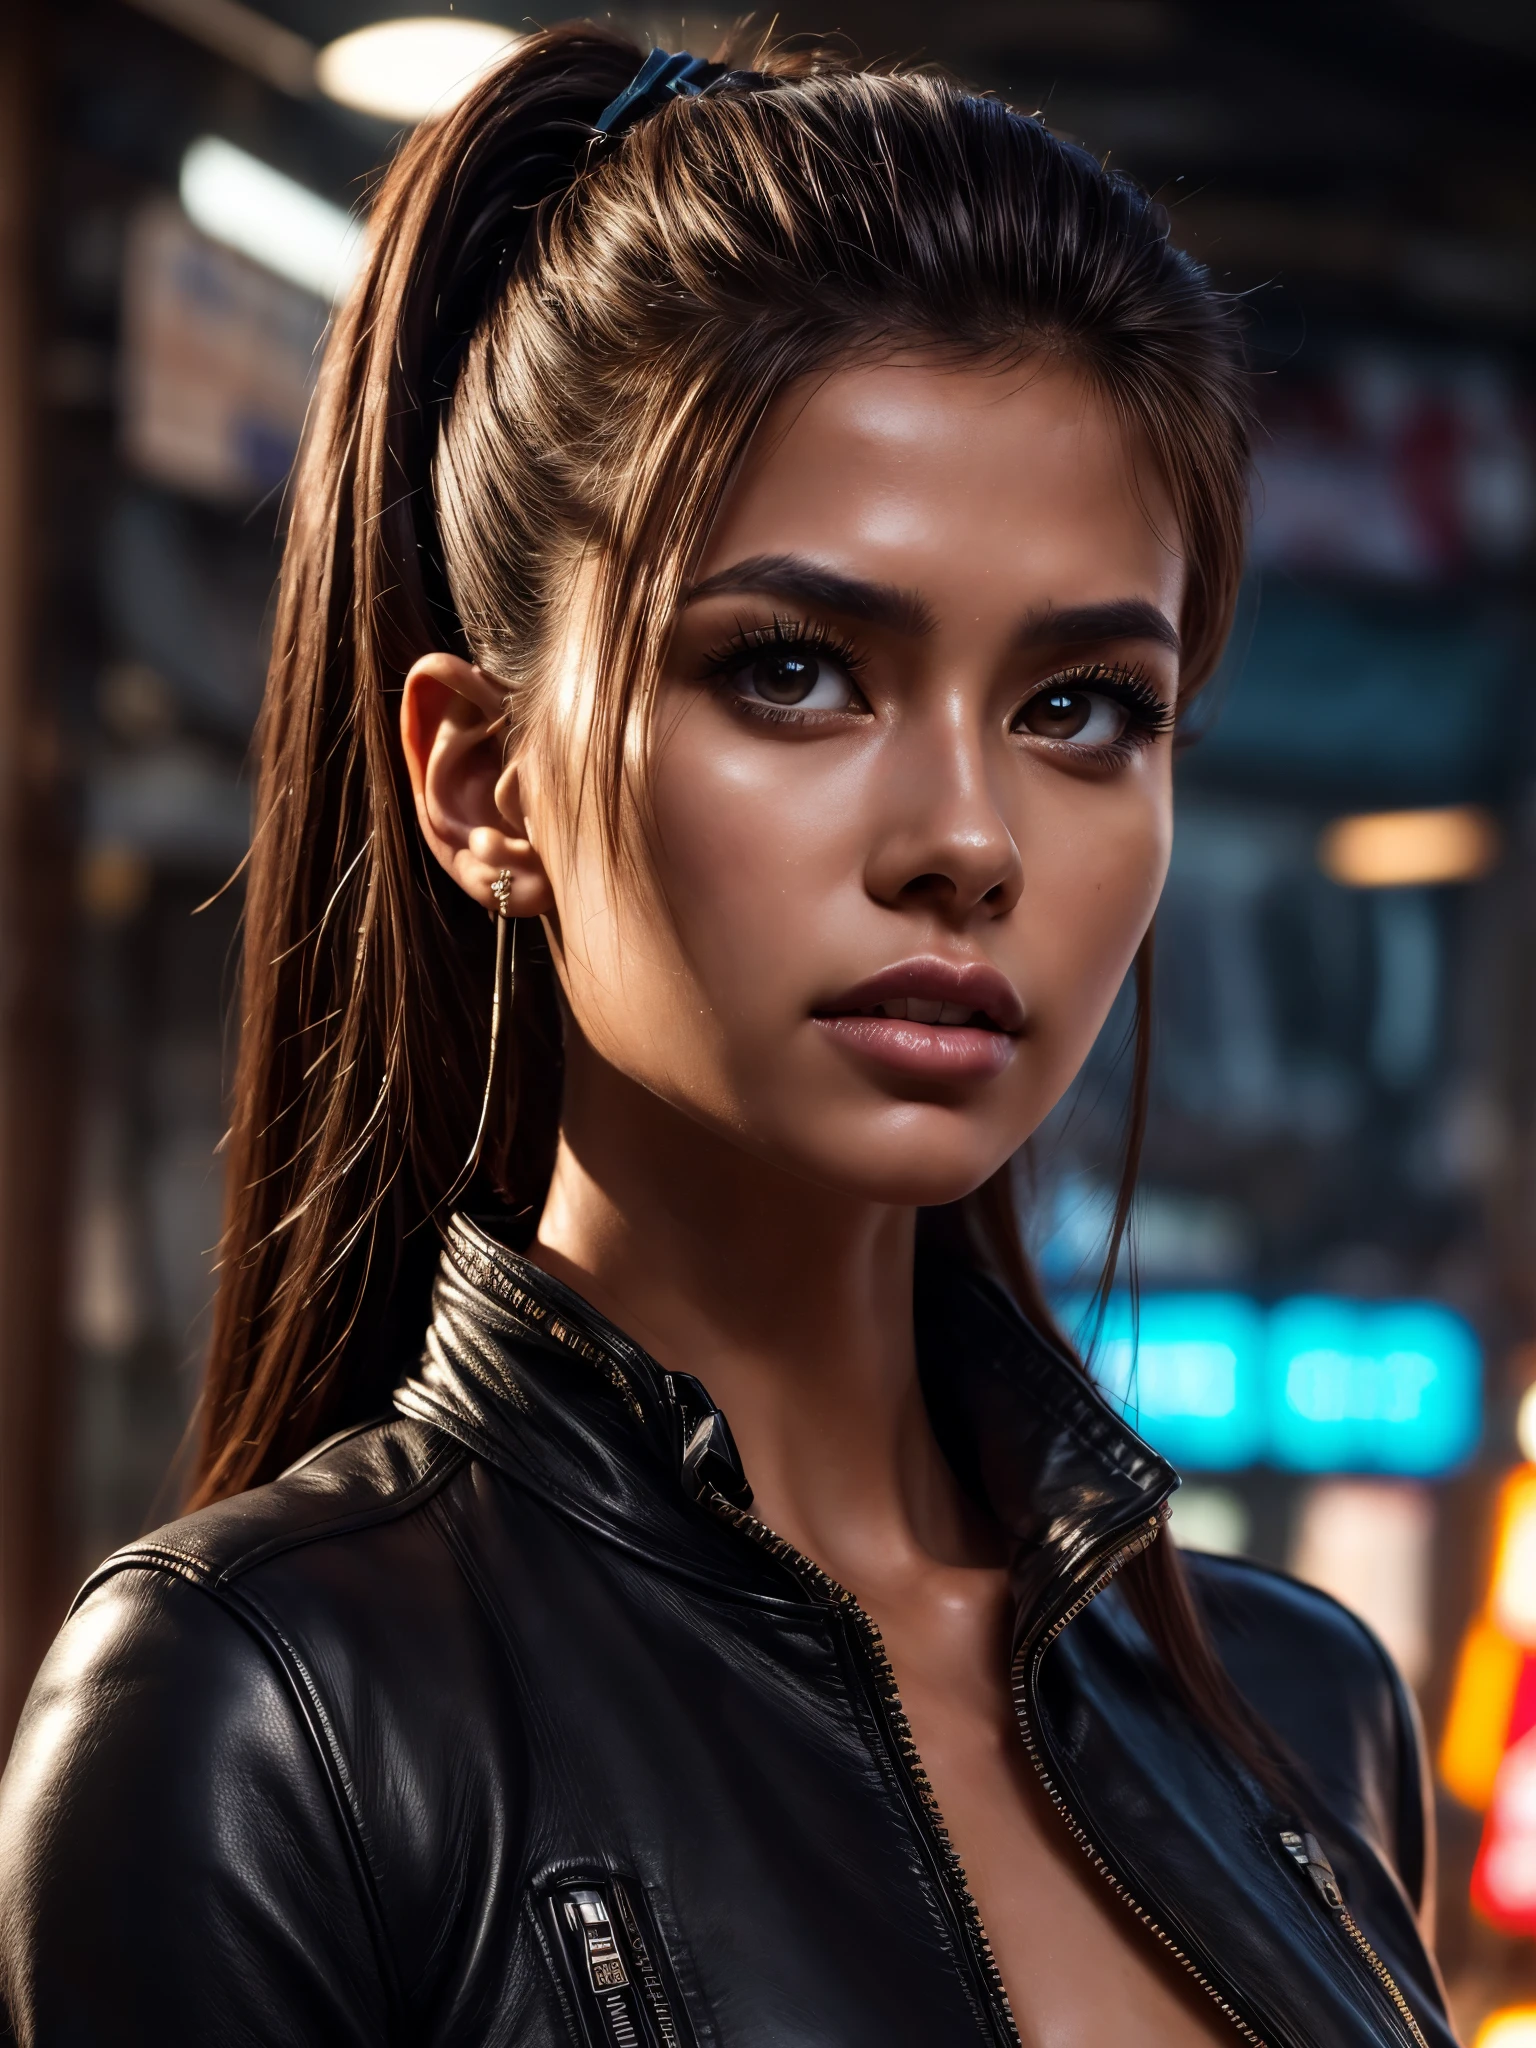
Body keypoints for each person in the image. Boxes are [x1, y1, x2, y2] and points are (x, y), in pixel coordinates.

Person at [0, 25, 1453, 2048]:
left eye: (1082, 705)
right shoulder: (275, 1716)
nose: (965, 838)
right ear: (482, 780)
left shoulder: (1303, 1711)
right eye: (792, 671)